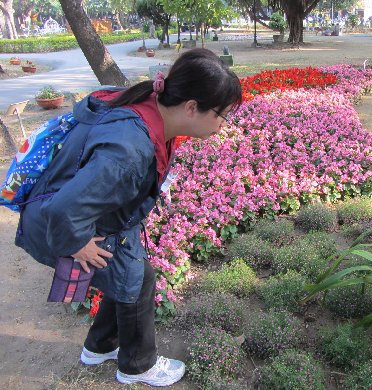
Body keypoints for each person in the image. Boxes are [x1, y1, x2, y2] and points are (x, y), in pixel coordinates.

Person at [15, 48, 242, 386]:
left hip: (106, 220)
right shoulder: (128, 151)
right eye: (222, 115)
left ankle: (100, 346)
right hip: (76, 223)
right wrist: (77, 244)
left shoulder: (152, 106)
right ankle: (137, 365)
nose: (223, 125)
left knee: (128, 278)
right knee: (138, 282)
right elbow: (64, 209)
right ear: (191, 107)